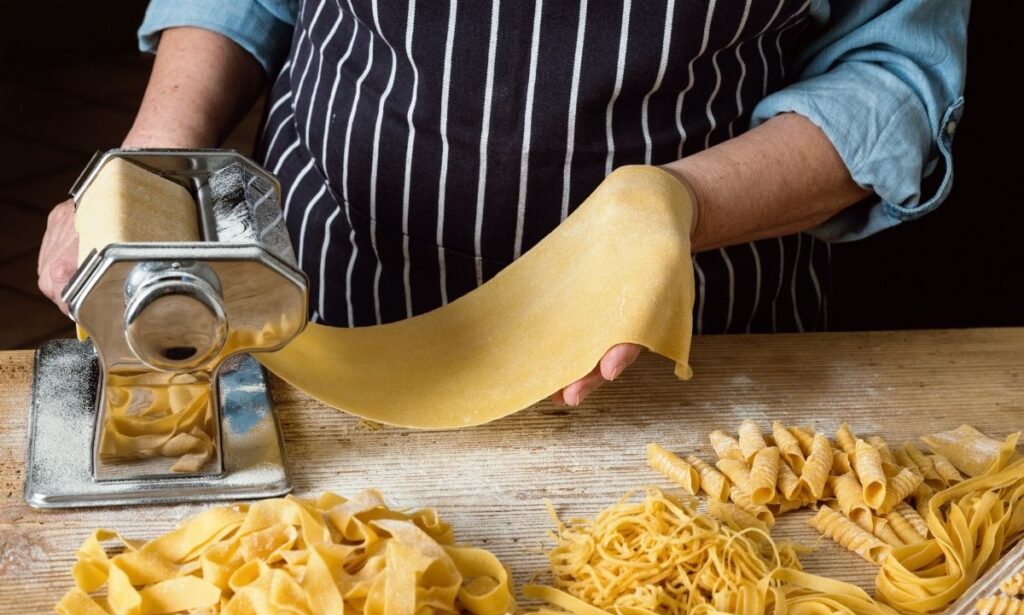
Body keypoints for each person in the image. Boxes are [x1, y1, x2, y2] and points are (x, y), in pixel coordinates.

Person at [37, 1, 969, 406]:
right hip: (325, 303)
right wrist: (155, 169)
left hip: (683, 348)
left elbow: (895, 76)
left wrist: (676, 206)